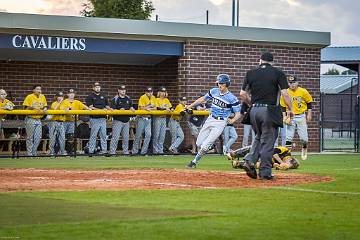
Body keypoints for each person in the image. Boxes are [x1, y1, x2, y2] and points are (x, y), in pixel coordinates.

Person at [239, 51, 293, 180]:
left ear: (260, 60)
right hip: (269, 111)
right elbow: (285, 94)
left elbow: (242, 94)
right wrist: (291, 109)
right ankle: (265, 173)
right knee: (268, 142)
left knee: (258, 137)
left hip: (253, 111)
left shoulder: (250, 73)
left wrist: (251, 104)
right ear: (272, 62)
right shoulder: (278, 73)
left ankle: (249, 160)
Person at [185, 74, 241, 168]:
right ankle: (209, 147)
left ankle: (194, 162)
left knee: (205, 145)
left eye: (222, 83)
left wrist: (233, 120)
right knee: (199, 143)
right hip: (210, 119)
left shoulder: (232, 98)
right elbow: (203, 99)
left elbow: (238, 113)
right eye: (219, 83)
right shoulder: (214, 91)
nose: (220, 85)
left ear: (227, 84)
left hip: (220, 122)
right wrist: (190, 106)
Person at [281, 75, 313, 160]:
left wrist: (309, 114)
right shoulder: (285, 92)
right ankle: (287, 155)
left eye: (294, 82)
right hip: (290, 116)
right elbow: (283, 106)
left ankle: (304, 148)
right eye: (290, 83)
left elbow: (309, 102)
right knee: (288, 138)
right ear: (288, 83)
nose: (292, 84)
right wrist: (284, 117)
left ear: (297, 82)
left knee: (304, 138)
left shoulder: (303, 91)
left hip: (301, 116)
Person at [61, 89, 91, 155]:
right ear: (67, 94)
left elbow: (84, 107)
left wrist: (89, 109)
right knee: (62, 137)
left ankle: (69, 151)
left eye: (73, 93)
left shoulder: (77, 102)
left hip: (72, 122)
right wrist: (67, 109)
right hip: (64, 121)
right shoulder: (64, 101)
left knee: (71, 137)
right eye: (70, 93)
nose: (72, 94)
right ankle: (61, 151)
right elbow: (62, 109)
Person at [85, 82, 112, 155]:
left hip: (103, 119)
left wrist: (110, 109)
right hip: (94, 118)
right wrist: (101, 110)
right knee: (93, 135)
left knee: (103, 135)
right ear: (93, 88)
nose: (97, 88)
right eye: (96, 87)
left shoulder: (104, 96)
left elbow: (107, 106)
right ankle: (91, 151)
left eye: (98, 87)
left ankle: (104, 151)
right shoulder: (90, 96)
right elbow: (90, 107)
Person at [109, 85, 135, 155]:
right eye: (121, 89)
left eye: (124, 89)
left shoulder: (128, 98)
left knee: (126, 137)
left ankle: (125, 152)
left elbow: (131, 107)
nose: (123, 91)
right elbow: (112, 109)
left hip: (126, 120)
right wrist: (119, 110)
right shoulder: (115, 98)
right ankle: (112, 152)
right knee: (115, 137)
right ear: (118, 90)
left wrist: (132, 108)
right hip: (118, 120)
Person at [22, 85, 48, 156]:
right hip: (30, 119)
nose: (39, 90)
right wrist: (31, 107)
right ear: (33, 90)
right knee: (30, 137)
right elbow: (25, 109)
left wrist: (45, 108)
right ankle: (29, 153)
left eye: (40, 89)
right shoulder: (29, 96)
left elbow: (45, 106)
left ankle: (34, 152)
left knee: (38, 137)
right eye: (37, 89)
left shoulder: (43, 96)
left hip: (38, 119)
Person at [132, 87, 157, 155]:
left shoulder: (153, 97)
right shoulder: (142, 97)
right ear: (145, 92)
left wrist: (149, 108)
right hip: (141, 118)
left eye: (151, 91)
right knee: (138, 135)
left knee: (148, 135)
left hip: (148, 119)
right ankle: (134, 151)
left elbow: (155, 108)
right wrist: (148, 107)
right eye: (148, 92)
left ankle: (144, 152)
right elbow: (141, 107)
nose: (150, 93)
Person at [153, 87, 172, 154]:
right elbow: (157, 108)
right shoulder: (156, 99)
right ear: (159, 92)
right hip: (157, 118)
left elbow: (170, 107)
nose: (163, 93)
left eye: (164, 92)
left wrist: (170, 109)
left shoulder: (166, 100)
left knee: (162, 135)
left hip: (164, 118)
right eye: (161, 92)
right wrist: (165, 108)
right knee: (156, 135)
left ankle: (160, 150)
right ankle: (155, 150)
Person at [48, 92, 66, 156]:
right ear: (56, 97)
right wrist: (59, 103)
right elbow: (54, 109)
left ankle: (62, 152)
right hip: (54, 122)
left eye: (61, 96)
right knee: (53, 138)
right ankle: (51, 152)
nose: (60, 98)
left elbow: (67, 110)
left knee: (62, 138)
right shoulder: (54, 103)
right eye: (59, 96)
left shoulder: (65, 104)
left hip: (62, 123)